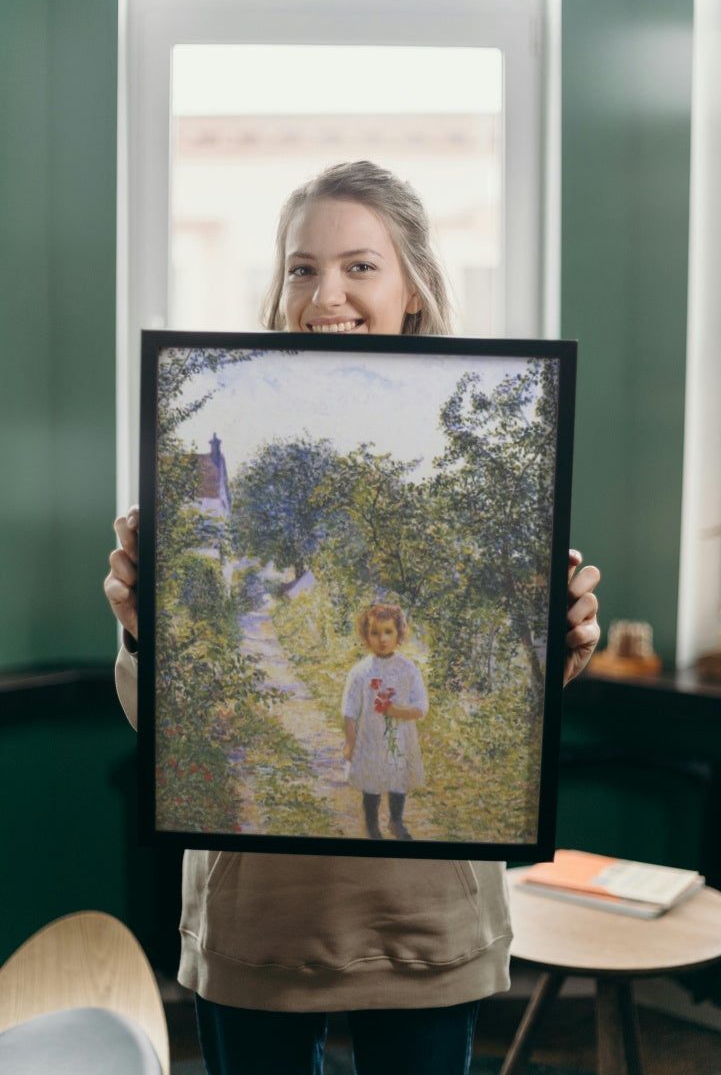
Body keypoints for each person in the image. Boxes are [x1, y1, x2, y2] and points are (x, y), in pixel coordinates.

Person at [105, 160, 601, 1075]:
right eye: (301, 267)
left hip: (424, 921)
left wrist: (555, 647)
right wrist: (146, 631)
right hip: (257, 921)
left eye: (359, 266)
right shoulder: (211, 434)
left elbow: (496, 694)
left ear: (413, 286)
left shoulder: (475, 439)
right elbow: (169, 726)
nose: (324, 292)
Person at [343, 602, 428, 841]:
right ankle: (372, 827)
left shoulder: (408, 669)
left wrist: (397, 711)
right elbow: (350, 711)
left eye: (388, 632)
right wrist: (350, 742)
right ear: (366, 636)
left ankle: (396, 821)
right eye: (375, 633)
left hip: (399, 738)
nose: (382, 639)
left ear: (399, 633)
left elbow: (421, 707)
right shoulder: (360, 672)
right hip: (370, 738)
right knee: (372, 782)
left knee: (398, 778)